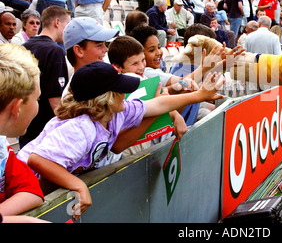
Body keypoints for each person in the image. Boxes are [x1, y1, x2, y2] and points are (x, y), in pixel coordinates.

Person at [17, 60, 224, 220]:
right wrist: (78, 186)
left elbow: (158, 105)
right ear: (104, 98)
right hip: (20, 184)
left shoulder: (116, 113)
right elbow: (38, 160)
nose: (125, 93)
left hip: (39, 190)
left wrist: (199, 95)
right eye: (120, 90)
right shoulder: (81, 127)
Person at [0, 43, 45, 221]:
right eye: (37, 98)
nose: (37, 106)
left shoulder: (2, 146)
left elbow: (32, 191)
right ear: (17, 108)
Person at [20, 6, 71, 148]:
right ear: (56, 22)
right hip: (45, 133)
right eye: (67, 25)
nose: (67, 30)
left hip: (26, 127)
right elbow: (55, 100)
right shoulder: (55, 51)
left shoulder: (24, 46)